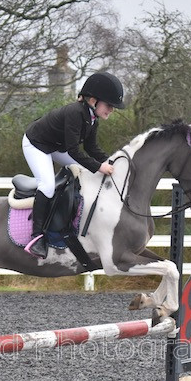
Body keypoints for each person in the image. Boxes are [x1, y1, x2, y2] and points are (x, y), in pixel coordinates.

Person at [21, 71, 125, 258]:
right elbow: (73, 151)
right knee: (47, 185)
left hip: (56, 146)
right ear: (93, 101)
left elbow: (92, 148)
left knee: (87, 172)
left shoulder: (92, 118)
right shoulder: (75, 113)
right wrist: (99, 167)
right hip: (36, 145)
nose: (112, 110)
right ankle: (36, 238)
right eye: (109, 105)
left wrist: (111, 161)